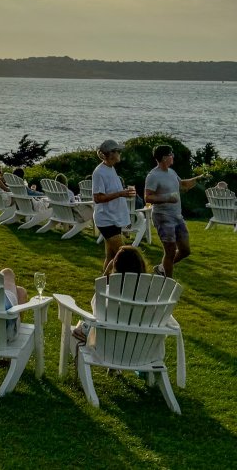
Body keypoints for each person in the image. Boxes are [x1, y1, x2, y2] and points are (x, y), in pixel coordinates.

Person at [144, 145, 208, 278]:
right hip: (163, 217)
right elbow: (147, 197)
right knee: (170, 252)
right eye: (170, 154)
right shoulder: (153, 176)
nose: (173, 156)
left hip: (177, 216)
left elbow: (183, 185)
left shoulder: (171, 172)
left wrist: (198, 178)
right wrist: (166, 198)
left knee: (185, 250)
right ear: (163, 157)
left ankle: (161, 268)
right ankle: (168, 282)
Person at [72, 245, 147, 344]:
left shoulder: (107, 294)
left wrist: (106, 274)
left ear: (115, 266)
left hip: (106, 350)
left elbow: (96, 312)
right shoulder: (153, 299)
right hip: (143, 352)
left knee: (78, 330)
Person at [91, 139, 136, 276]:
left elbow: (111, 192)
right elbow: (98, 198)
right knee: (124, 256)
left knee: (111, 257)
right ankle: (129, 282)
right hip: (106, 219)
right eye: (117, 151)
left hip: (113, 218)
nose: (120, 153)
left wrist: (123, 194)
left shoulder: (111, 168)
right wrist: (121, 193)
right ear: (110, 154)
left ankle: (103, 283)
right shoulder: (99, 172)